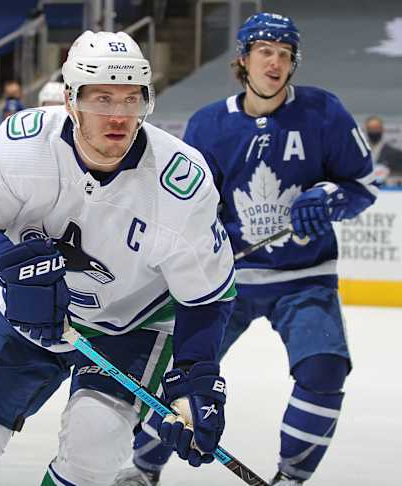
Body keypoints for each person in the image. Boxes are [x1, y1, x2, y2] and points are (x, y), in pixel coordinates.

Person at [0, 30, 236, 486]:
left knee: (92, 456)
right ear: (70, 100)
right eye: (103, 98)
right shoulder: (22, 144)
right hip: (30, 318)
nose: (119, 115)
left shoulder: (180, 184)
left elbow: (208, 296)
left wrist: (194, 379)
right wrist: (13, 268)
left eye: (132, 100)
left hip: (133, 326)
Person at [116, 12, 378, 486]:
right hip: (225, 278)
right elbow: (186, 207)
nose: (275, 62)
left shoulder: (324, 112)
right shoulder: (209, 125)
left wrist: (328, 196)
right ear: (243, 59)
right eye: (264, 51)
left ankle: (292, 476)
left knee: (325, 367)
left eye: (284, 54)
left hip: (305, 275)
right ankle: (141, 468)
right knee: (179, 377)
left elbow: (361, 185)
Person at [0, 82, 66, 357]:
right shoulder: (23, 139)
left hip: (60, 230)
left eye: (57, 107)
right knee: (2, 280)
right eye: (48, 106)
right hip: (24, 227)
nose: (53, 112)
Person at [364, 115, 402, 183]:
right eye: (371, 129)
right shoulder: (358, 153)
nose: (374, 131)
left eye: (376, 128)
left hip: (387, 191)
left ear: (382, 129)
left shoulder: (396, 154)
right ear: (366, 130)